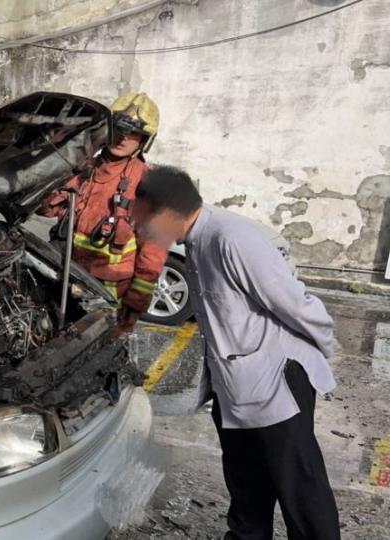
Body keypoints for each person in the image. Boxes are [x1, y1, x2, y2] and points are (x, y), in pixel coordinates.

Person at [130, 165, 340, 540]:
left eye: (142, 218)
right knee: (247, 488)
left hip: (277, 381)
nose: (138, 227)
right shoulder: (195, 242)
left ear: (166, 212)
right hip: (235, 388)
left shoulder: (231, 238)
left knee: (299, 489)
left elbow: (294, 303)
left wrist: (322, 350)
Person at [38, 92, 168, 336]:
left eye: (134, 133)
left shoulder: (149, 184)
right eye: (119, 128)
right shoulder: (83, 167)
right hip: (65, 280)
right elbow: (46, 210)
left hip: (107, 298)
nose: (123, 138)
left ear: (144, 140)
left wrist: (135, 304)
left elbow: (153, 255)